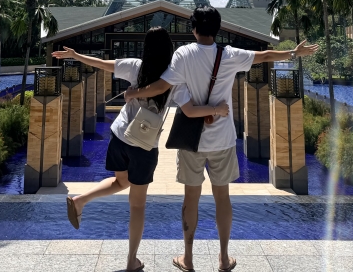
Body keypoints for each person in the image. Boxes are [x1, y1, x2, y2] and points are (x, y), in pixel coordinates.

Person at [125, 6, 319, 272]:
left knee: (190, 199)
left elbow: (162, 86)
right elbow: (264, 56)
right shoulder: (229, 55)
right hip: (223, 140)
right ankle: (224, 258)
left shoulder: (183, 54)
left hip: (191, 141)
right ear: (217, 29)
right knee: (222, 198)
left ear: (194, 28)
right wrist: (294, 53)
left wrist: (135, 93)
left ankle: (188, 258)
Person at [51, 26, 229, 272]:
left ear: (146, 47)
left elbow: (104, 64)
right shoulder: (172, 77)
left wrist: (76, 55)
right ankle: (131, 261)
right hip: (144, 146)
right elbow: (190, 110)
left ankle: (81, 200)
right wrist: (216, 110)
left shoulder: (136, 66)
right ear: (169, 50)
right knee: (137, 206)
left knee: (120, 181)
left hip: (119, 136)